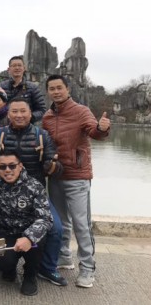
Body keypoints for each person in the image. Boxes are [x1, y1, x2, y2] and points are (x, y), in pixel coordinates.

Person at [0, 98, 66, 286]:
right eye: (14, 111)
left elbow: (56, 167)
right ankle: (1, 260)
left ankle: (47, 268)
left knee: (56, 229)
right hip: (4, 194)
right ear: (8, 114)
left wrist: (52, 166)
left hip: (34, 194)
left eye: (23, 111)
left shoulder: (42, 135)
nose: (19, 115)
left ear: (31, 114)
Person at [43, 74, 111, 289]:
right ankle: (64, 257)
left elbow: (94, 132)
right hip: (55, 176)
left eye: (59, 88)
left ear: (68, 89)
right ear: (48, 92)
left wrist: (102, 128)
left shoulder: (81, 111)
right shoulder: (47, 116)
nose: (56, 91)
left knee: (82, 224)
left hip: (78, 176)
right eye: (52, 88)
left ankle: (88, 268)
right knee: (61, 222)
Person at [0, 152, 53, 296]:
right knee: (1, 261)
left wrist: (29, 237)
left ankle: (30, 275)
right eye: (2, 166)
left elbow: (45, 218)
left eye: (12, 166)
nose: (7, 170)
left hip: (28, 232)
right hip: (2, 232)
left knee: (38, 243)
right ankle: (9, 269)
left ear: (20, 166)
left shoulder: (35, 186)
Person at [0, 56, 46, 123]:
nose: (17, 68)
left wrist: (29, 117)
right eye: (14, 66)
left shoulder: (32, 87)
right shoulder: (1, 87)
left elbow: (42, 110)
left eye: (19, 65)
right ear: (9, 69)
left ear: (24, 68)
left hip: (27, 125)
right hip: (6, 125)